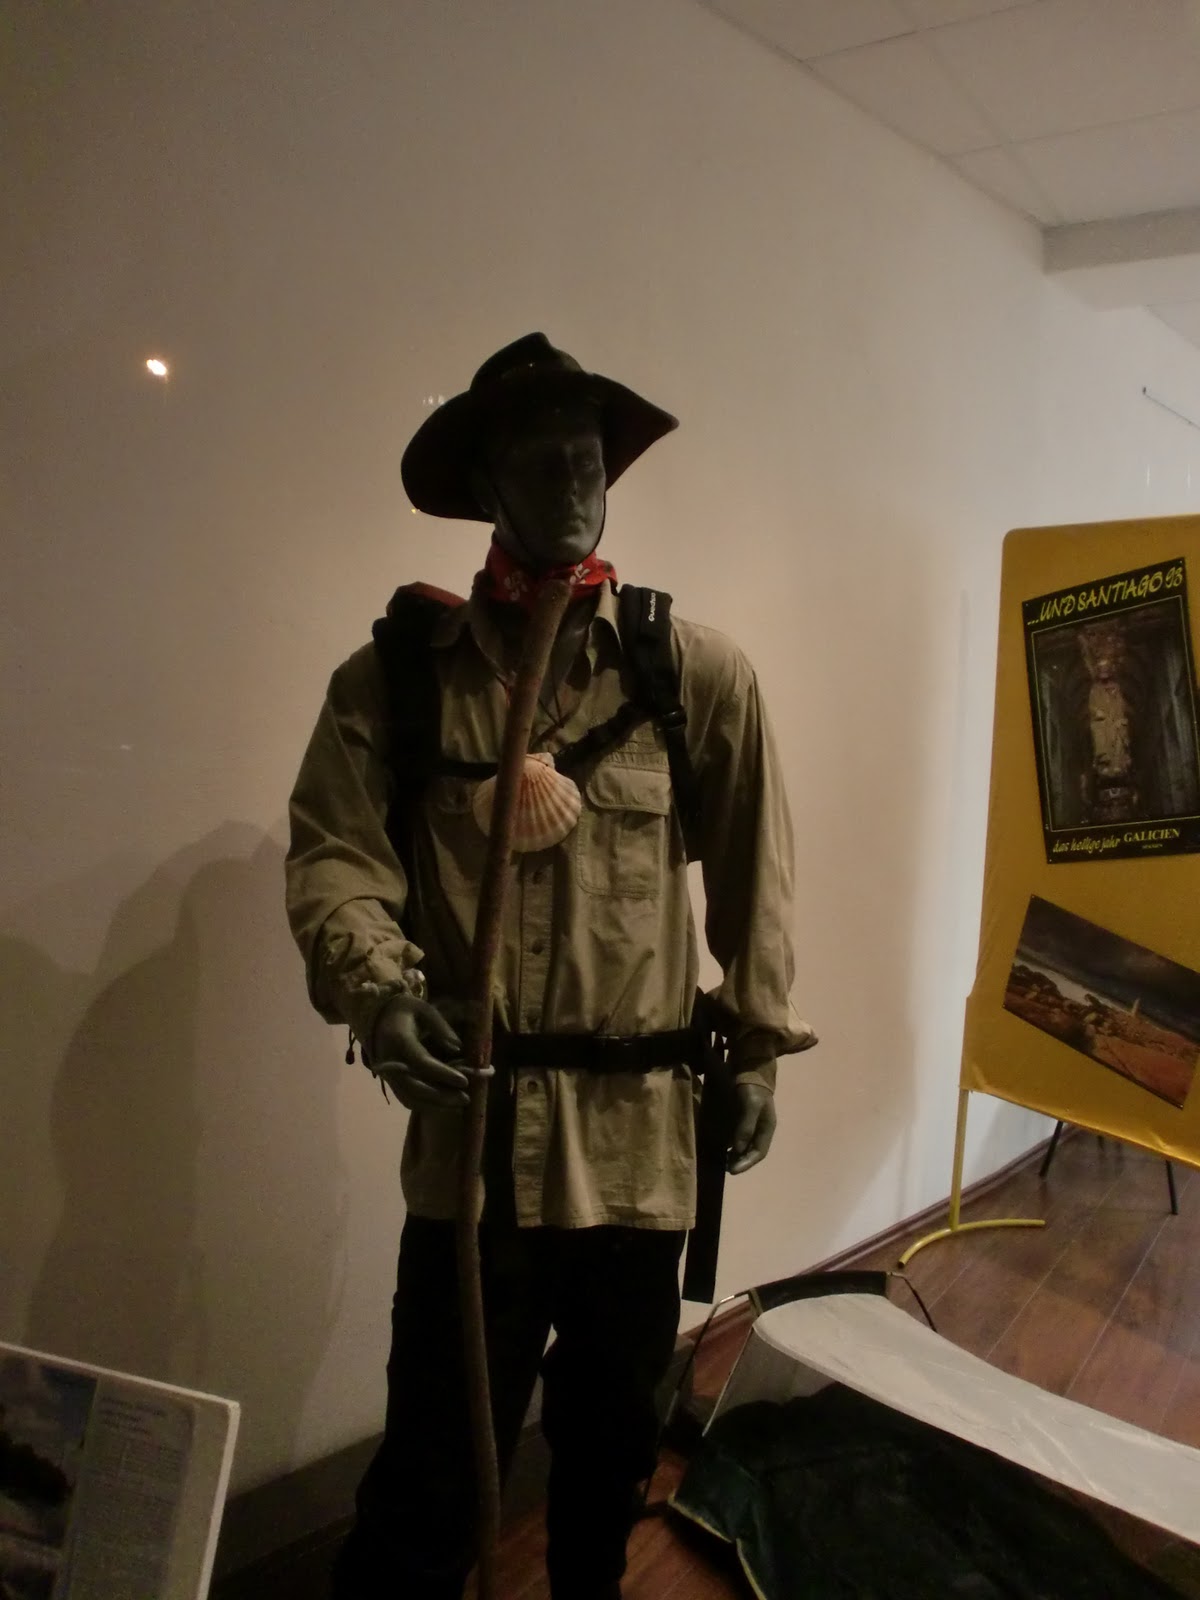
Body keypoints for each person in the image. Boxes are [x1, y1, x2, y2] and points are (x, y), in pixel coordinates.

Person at [285, 333, 815, 1600]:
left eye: (589, 453)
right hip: (473, 1156)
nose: (575, 478)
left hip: (637, 1154)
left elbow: (758, 870)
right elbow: (336, 858)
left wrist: (755, 1046)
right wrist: (380, 990)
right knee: (429, 1470)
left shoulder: (692, 676)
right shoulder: (396, 683)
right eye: (541, 455)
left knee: (608, 1457)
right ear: (487, 481)